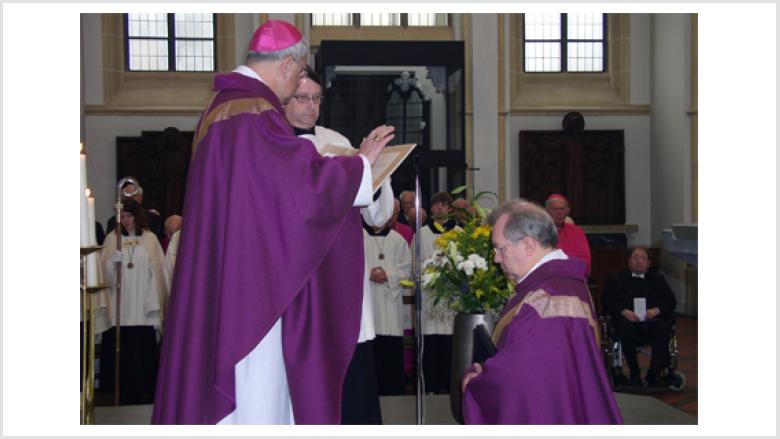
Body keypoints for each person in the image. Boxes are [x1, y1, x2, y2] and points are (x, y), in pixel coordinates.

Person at [151, 19, 395, 425]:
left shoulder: (227, 109)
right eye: (299, 76)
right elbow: (298, 191)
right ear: (286, 65)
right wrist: (359, 165)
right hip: (253, 293)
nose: (297, 90)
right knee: (258, 398)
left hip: (238, 275)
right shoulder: (253, 114)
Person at [284, 65, 396, 424]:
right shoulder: (274, 145)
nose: (310, 106)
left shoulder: (335, 141)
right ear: (284, 97)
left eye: (317, 98)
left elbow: (376, 217)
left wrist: (377, 169)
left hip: (345, 273)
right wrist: (359, 165)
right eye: (302, 97)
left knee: (352, 369)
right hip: (302, 279)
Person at [461, 200, 622, 424]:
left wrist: (480, 380)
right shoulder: (556, 284)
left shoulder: (552, 298)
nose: (496, 258)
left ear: (528, 245)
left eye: (500, 248)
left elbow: (526, 377)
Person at [95, 197, 170, 405]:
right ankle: (121, 392)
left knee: (141, 351)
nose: (127, 221)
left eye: (129, 216)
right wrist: (112, 262)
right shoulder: (112, 239)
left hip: (142, 305)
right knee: (123, 353)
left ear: (137, 216)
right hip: (121, 305)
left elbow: (158, 270)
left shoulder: (149, 239)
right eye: (123, 217)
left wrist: (154, 299)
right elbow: (104, 275)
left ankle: (143, 391)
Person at [602, 246, 678, 386]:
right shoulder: (616, 279)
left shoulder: (658, 279)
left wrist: (656, 310)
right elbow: (608, 300)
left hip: (652, 322)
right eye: (635, 257)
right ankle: (634, 371)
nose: (639, 261)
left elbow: (670, 301)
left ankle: (654, 372)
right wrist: (625, 312)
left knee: (663, 327)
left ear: (649, 263)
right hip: (627, 322)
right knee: (624, 326)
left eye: (643, 258)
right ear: (629, 261)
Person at [415, 191, 460, 394]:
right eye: (437, 205)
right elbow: (414, 264)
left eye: (444, 205)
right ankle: (430, 386)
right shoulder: (421, 233)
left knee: (449, 341)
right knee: (431, 340)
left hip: (451, 295)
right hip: (429, 293)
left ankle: (448, 386)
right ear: (431, 209)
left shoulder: (459, 233)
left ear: (450, 209)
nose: (440, 208)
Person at [364, 219, 411, 396]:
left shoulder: (398, 240)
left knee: (390, 352)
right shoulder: (359, 236)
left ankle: (393, 393)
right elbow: (351, 264)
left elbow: (407, 269)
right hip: (369, 303)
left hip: (390, 304)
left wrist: (388, 275)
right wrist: (369, 274)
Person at [544, 193, 591, 276]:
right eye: (555, 209)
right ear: (546, 211)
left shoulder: (577, 232)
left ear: (568, 211)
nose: (559, 212)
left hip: (571, 279)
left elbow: (585, 262)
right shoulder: (538, 231)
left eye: (562, 209)